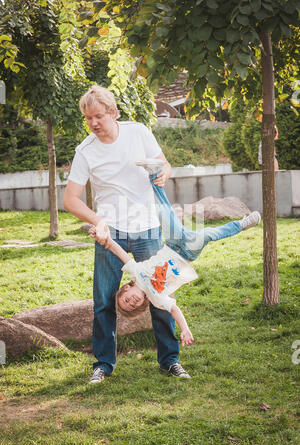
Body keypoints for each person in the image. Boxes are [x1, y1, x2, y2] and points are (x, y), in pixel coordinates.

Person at [63, 84, 190, 383]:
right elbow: (70, 200)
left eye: (98, 116)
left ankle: (170, 360)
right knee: (105, 300)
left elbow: (165, 164)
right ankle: (104, 364)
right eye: (87, 118)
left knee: (158, 293)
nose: (93, 123)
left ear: (112, 112)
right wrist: (98, 220)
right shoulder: (85, 151)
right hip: (111, 233)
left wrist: (164, 173)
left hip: (147, 227)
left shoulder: (138, 132)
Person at [89, 159, 261, 356]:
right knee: (207, 234)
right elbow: (175, 310)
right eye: (132, 305)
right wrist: (185, 328)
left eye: (126, 300)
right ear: (141, 305)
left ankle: (154, 173)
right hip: (187, 252)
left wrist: (104, 238)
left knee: (164, 211)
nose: (131, 302)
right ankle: (241, 225)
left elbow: (119, 252)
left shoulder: (135, 273)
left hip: (172, 243)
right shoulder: (156, 298)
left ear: (126, 288)